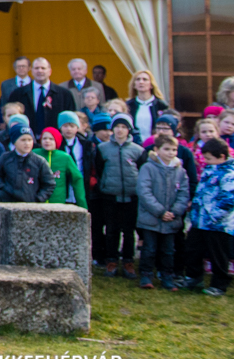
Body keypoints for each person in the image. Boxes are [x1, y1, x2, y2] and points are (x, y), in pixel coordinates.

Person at [135, 133, 189, 290]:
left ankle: (167, 276)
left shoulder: (180, 171)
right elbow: (144, 191)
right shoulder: (148, 167)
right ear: (157, 150)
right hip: (151, 217)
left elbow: (184, 193)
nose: (171, 153)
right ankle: (146, 275)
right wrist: (159, 211)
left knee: (168, 250)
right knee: (149, 248)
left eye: (174, 149)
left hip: (171, 219)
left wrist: (175, 211)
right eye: (167, 149)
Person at [96, 115, 144, 277]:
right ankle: (111, 260)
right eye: (117, 126)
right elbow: (100, 169)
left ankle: (128, 261)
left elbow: (142, 171)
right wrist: (104, 186)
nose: (120, 130)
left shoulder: (137, 150)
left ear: (129, 129)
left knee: (129, 231)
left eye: (124, 127)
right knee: (111, 229)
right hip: (110, 195)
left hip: (131, 196)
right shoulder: (103, 148)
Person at [188, 138, 232, 296]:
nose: (205, 161)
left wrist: (213, 216)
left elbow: (229, 199)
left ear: (221, 156)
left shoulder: (229, 175)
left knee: (218, 255)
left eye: (208, 158)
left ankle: (219, 284)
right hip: (200, 221)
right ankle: (194, 277)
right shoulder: (209, 169)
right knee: (193, 249)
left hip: (218, 225)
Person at [8, 58, 78, 136]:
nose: (40, 71)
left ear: (50, 71)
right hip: (27, 139)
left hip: (55, 140)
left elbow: (70, 119)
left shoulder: (64, 94)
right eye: (37, 68)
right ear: (31, 71)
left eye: (43, 68)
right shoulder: (18, 93)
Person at [0, 128, 56, 203]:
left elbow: (49, 184)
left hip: (30, 202)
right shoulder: (5, 158)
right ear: (14, 142)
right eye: (23, 140)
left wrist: (38, 199)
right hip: (9, 198)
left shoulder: (39, 161)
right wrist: (2, 187)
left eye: (30, 140)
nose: (27, 143)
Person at [36, 127, 86, 208]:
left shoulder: (65, 157)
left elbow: (77, 178)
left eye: (51, 139)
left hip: (58, 201)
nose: (47, 141)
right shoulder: (34, 154)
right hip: (36, 202)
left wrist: (82, 204)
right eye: (44, 138)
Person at [125, 70, 169, 141]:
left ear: (151, 85)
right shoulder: (128, 105)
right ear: (134, 85)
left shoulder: (161, 105)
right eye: (138, 79)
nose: (141, 82)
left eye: (145, 79)